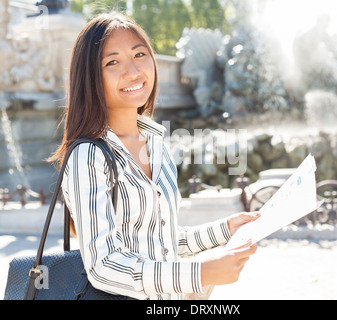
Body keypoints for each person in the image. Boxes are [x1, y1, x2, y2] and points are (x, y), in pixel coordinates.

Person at [49, 12, 259, 300]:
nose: (133, 71)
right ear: (90, 78)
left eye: (139, 54)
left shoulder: (157, 144)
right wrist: (199, 274)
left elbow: (162, 241)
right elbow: (103, 265)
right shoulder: (90, 155)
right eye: (112, 62)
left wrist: (225, 229)